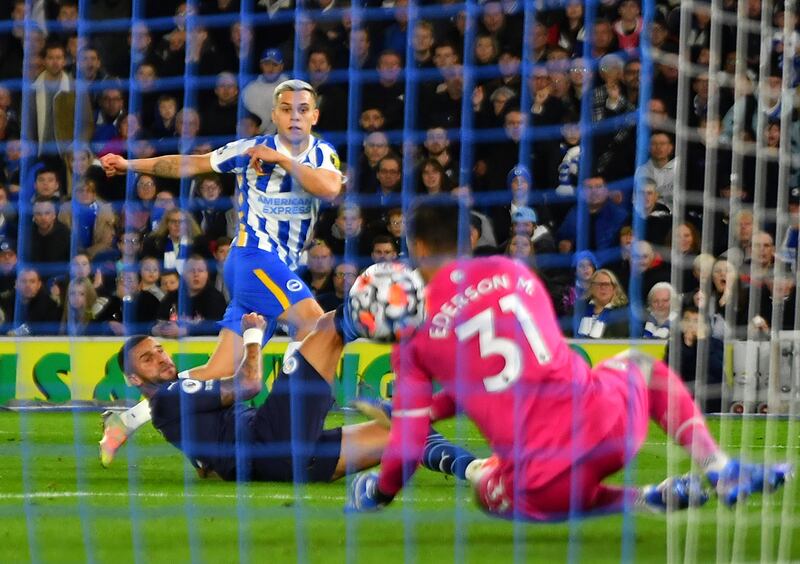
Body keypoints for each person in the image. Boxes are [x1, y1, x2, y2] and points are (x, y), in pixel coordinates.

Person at [345, 196, 791, 517]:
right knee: (638, 364)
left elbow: (406, 448)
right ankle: (719, 466)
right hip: (612, 427)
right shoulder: (513, 270)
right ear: (472, 237)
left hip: (547, 479)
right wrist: (429, 409)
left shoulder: (414, 339)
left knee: (488, 490)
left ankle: (638, 500)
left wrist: (379, 493)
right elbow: (507, 367)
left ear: (418, 249)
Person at [98, 79, 343, 465]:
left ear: (314, 115)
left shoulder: (323, 153)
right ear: (274, 115)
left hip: (276, 268)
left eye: (302, 109)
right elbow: (189, 164)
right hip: (253, 259)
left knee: (220, 370)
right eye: (286, 109)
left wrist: (283, 161)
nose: (294, 116)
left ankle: (129, 418)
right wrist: (130, 164)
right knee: (318, 327)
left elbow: (330, 189)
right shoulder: (248, 150)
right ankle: (299, 418)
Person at [117, 310, 475, 483]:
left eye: (160, 350)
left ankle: (476, 470)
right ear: (134, 378)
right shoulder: (171, 394)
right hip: (268, 440)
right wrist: (254, 336)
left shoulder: (170, 407)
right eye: (148, 359)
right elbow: (250, 385)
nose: (161, 358)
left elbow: (205, 459)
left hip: (279, 465)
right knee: (330, 325)